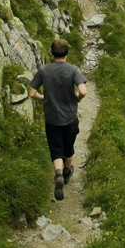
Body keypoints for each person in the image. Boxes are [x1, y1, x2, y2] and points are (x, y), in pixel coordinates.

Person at [29, 38, 87, 201]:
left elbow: (32, 94)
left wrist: (44, 98)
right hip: (69, 117)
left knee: (56, 150)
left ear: (52, 53)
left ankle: (58, 175)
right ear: (66, 53)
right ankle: (66, 173)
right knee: (68, 148)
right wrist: (77, 98)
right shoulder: (74, 70)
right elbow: (83, 91)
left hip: (52, 118)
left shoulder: (44, 71)